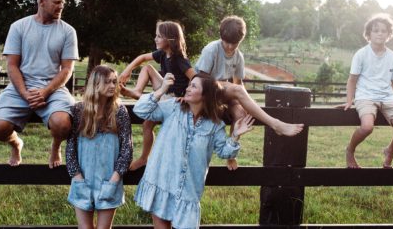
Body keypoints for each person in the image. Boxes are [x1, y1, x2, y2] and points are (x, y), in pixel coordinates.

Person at [133, 72, 255, 229]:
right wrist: (161, 89)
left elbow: (225, 153)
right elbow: (140, 110)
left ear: (206, 95)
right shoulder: (173, 107)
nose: (188, 88)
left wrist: (235, 136)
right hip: (162, 184)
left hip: (188, 192)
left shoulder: (215, 125)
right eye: (189, 85)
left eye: (194, 86)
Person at [195, 15, 304, 170]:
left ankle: (231, 154)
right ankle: (275, 124)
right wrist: (228, 88)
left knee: (240, 115)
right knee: (236, 91)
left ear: (241, 39)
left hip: (225, 93)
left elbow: (239, 85)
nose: (230, 47)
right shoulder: (212, 49)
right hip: (206, 90)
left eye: (235, 43)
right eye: (227, 43)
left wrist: (246, 105)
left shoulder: (238, 56)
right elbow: (200, 79)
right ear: (221, 37)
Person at [0, 0, 79, 168]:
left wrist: (45, 92)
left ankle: (55, 146)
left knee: (62, 123)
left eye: (63, 3)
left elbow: (66, 69)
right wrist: (24, 93)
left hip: (53, 88)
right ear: (42, 2)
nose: (61, 6)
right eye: (57, 2)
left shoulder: (68, 31)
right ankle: (16, 143)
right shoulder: (19, 27)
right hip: (20, 87)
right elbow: (12, 65)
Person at [118, 21, 196, 170]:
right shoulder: (162, 54)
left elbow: (195, 78)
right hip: (165, 91)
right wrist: (127, 70)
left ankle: (143, 158)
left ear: (170, 39)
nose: (155, 39)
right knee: (147, 67)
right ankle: (137, 92)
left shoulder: (179, 58)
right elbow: (142, 58)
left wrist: (187, 96)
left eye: (159, 36)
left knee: (147, 123)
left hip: (174, 99)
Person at [66, 65, 133, 229]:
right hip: (82, 180)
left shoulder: (119, 112)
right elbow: (71, 146)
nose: (112, 86)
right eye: (107, 82)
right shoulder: (79, 111)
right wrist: (77, 177)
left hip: (110, 180)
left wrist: (114, 179)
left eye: (114, 82)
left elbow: (127, 148)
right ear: (95, 84)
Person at [340, 13, 393, 168]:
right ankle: (350, 150)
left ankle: (389, 150)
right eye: (376, 30)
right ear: (368, 34)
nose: (380, 33)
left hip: (388, 98)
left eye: (383, 31)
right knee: (367, 127)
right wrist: (350, 100)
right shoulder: (361, 54)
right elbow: (352, 80)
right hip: (366, 97)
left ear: (389, 34)